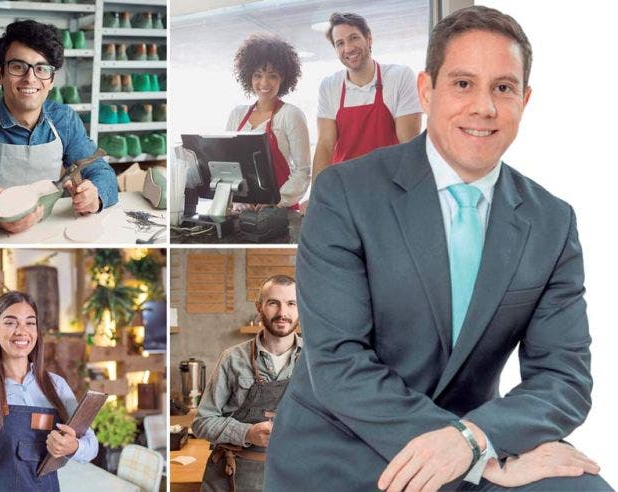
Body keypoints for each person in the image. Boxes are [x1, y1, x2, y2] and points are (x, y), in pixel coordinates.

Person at [266, 6, 611, 491]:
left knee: (582, 487)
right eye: (463, 84)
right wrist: (467, 452)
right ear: (427, 91)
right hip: (344, 450)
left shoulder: (551, 221)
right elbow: (340, 362)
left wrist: (475, 440)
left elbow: (564, 378)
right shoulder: (346, 192)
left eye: (503, 88)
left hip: (475, 439)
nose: (484, 107)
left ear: (524, 100)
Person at [0, 20, 119, 234]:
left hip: (46, 233)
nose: (30, 78)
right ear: (0, 73)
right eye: (18, 67)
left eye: (41, 69)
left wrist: (96, 196)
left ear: (52, 79)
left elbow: (101, 171)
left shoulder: (64, 120)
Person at [0, 291, 97, 491]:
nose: (22, 330)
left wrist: (74, 447)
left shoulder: (56, 386)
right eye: (10, 322)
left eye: (30, 322)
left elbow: (91, 444)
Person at [192, 275, 301, 492]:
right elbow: (201, 423)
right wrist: (247, 433)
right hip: (233, 477)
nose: (282, 313)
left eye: (291, 304)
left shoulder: (316, 362)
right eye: (273, 303)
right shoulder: (232, 359)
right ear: (259, 307)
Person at [312, 12, 422, 184]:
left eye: (354, 38)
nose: (348, 48)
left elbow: (408, 144)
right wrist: (318, 196)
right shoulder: (329, 86)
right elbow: (325, 145)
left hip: (390, 185)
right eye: (340, 43)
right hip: (346, 188)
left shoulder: (399, 77)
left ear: (369, 38)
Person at [225, 34, 311, 210]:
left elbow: (302, 171)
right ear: (248, 76)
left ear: (283, 78)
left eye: (272, 76)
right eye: (257, 75)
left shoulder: (291, 115)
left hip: (279, 212)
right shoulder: (237, 115)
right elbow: (228, 166)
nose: (264, 83)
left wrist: (275, 200)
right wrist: (240, 201)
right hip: (244, 211)